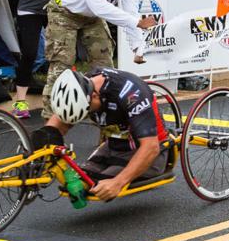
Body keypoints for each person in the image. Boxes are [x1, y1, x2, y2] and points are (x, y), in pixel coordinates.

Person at [41, 0, 156, 119]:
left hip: (92, 17)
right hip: (65, 12)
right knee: (62, 65)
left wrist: (138, 47)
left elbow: (131, 13)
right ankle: (50, 122)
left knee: (105, 68)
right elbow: (100, 7)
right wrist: (137, 22)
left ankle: (106, 121)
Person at [32, 68, 168, 200]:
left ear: (94, 96)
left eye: (87, 110)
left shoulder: (132, 94)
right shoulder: (84, 86)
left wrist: (118, 183)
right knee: (81, 179)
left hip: (150, 150)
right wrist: (43, 144)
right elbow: (60, 122)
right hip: (114, 144)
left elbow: (151, 147)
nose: (88, 114)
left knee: (96, 185)